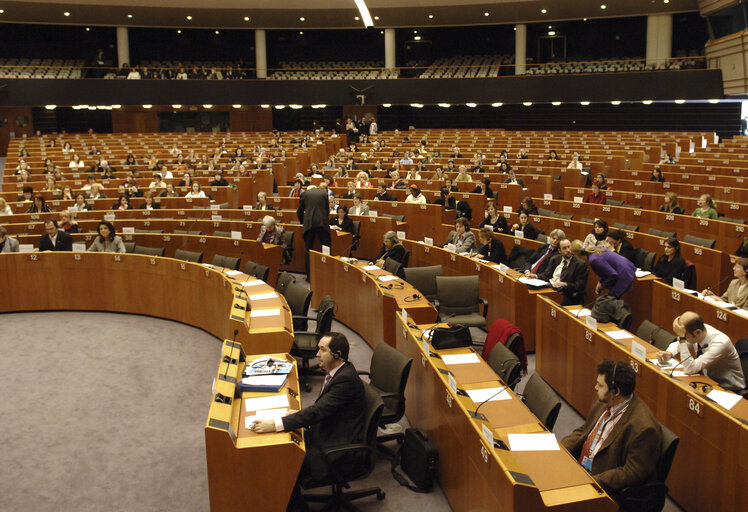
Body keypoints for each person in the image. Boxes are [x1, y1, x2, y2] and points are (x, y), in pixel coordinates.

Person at [251, 333, 365, 490]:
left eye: (322, 350)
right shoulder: (337, 370)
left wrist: (276, 424)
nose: (317, 354)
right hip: (327, 428)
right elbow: (324, 408)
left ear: (337, 354)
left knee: (283, 460)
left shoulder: (345, 380)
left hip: (334, 445)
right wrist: (298, 415)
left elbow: (317, 412)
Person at [562, 359, 662, 503]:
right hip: (581, 468)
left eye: (600, 385)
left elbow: (632, 472)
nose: (595, 387)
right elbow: (585, 430)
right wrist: (560, 449)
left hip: (602, 487)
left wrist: (592, 480)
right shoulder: (603, 401)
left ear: (616, 392)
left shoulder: (643, 428)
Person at [657, 312, 745, 392]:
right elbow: (680, 343)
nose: (683, 338)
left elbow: (690, 369)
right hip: (707, 381)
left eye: (684, 336)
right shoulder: (698, 330)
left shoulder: (720, 343)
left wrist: (682, 339)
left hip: (730, 389)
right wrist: (669, 353)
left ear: (697, 332)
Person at [538, 239, 589, 305]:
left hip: (566, 294)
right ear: (559, 250)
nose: (568, 250)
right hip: (550, 288)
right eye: (564, 248)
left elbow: (579, 285)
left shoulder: (580, 264)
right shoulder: (555, 259)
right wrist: (535, 276)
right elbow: (547, 275)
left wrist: (565, 284)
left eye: (569, 247)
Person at [297, 185, 331, 277]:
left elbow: (299, 211)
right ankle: (327, 272)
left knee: (308, 248)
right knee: (326, 248)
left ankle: (309, 275)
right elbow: (327, 210)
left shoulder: (305, 194)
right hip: (322, 223)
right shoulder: (324, 193)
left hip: (309, 224)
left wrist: (302, 221)